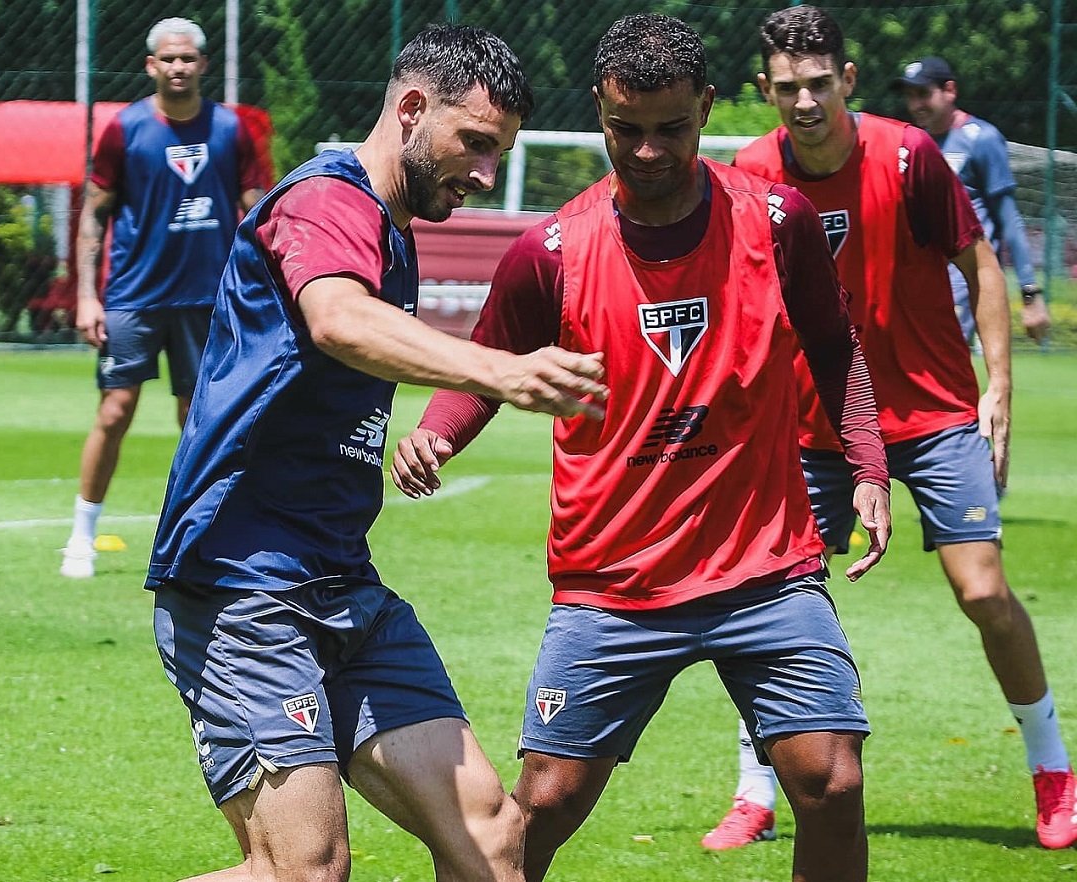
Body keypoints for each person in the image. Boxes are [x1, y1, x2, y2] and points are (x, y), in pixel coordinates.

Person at [393, 14, 892, 882]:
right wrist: (435, 434)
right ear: (599, 112)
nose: (650, 150)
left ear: (706, 105)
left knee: (831, 781)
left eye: (672, 128)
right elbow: (486, 367)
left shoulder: (778, 222)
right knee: (541, 805)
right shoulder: (549, 252)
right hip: (613, 579)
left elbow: (835, 346)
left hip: (763, 565)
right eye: (627, 130)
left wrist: (869, 467)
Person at [146, 24, 610, 882]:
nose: (483, 172)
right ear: (410, 108)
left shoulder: (393, 233)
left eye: (498, 151)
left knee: (492, 840)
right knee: (304, 870)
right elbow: (338, 320)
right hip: (241, 585)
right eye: (473, 143)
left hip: (341, 584)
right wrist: (500, 370)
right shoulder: (327, 199)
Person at [702, 5, 1077, 853]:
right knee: (770, 602)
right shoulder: (751, 171)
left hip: (935, 411)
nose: (804, 101)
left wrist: (1000, 384)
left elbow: (978, 262)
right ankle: (754, 789)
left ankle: (1054, 770)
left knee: (983, 590)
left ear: (849, 81)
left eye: (819, 83)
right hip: (815, 424)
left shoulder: (911, 157)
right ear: (765, 89)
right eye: (787, 87)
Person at [60, 16, 269, 579]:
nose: (178, 68)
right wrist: (87, 297)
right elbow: (93, 216)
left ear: (202, 64)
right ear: (151, 65)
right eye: (167, 59)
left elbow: (258, 213)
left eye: (187, 59)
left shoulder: (229, 130)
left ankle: (204, 536)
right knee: (116, 408)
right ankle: (81, 534)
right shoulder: (125, 130)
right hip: (134, 296)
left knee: (199, 419)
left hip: (209, 300)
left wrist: (263, 286)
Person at [892, 56, 1052, 347]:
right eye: (909, 96)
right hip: (921, 279)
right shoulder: (912, 144)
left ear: (950, 90)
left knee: (940, 370)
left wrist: (1030, 294)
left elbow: (1009, 220)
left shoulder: (981, 139)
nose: (916, 104)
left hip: (964, 279)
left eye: (923, 94)